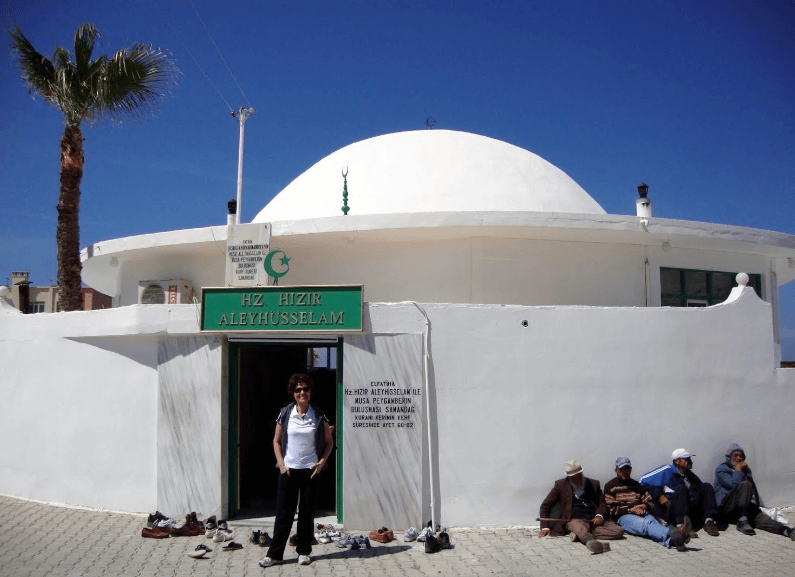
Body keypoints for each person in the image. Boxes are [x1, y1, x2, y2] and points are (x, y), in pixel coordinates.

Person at [259, 374, 334, 567]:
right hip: (288, 471)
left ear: (310, 392)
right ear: (293, 393)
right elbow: (276, 441)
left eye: (305, 389)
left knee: (307, 514)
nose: (302, 392)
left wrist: (321, 462)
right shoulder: (285, 413)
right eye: (298, 389)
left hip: (310, 471)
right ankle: (274, 554)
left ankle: (304, 551)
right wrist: (281, 464)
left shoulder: (318, 414)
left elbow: (329, 442)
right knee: (283, 515)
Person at [538, 459, 624, 554]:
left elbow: (602, 503)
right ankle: (592, 542)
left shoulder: (593, 484)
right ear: (569, 477)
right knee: (578, 527)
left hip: (593, 521)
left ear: (581, 473)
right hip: (575, 520)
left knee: (618, 531)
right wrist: (545, 527)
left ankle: (578, 535)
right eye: (573, 477)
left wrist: (599, 516)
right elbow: (545, 506)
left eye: (578, 476)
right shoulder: (560, 485)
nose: (576, 479)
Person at [604, 457, 691, 551]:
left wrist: (644, 506)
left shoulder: (636, 485)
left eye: (627, 468)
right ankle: (678, 532)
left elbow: (650, 501)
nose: (625, 471)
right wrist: (631, 510)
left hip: (642, 513)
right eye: (622, 469)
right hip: (624, 517)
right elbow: (611, 509)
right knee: (646, 525)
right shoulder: (610, 486)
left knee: (652, 523)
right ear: (616, 470)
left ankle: (673, 540)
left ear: (630, 469)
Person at [714, 443, 795, 539]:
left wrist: (756, 506)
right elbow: (733, 484)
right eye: (735, 455)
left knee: (762, 518)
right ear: (729, 457)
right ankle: (742, 521)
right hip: (727, 509)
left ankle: (787, 531)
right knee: (745, 484)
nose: (738, 458)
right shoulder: (721, 469)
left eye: (741, 456)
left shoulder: (745, 470)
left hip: (743, 508)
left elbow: (752, 489)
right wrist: (738, 469)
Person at [639, 448, 720, 537]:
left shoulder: (689, 475)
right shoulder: (667, 470)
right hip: (672, 511)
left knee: (706, 486)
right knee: (682, 489)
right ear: (677, 461)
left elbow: (701, 492)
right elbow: (642, 480)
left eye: (689, 459)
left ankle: (709, 522)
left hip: (689, 511)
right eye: (686, 459)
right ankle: (683, 526)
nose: (690, 461)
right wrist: (660, 495)